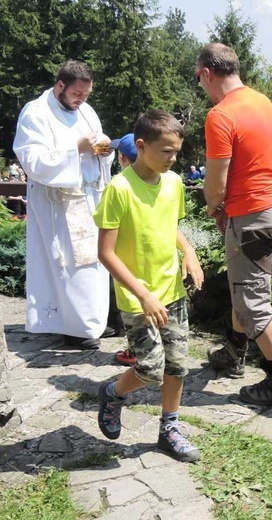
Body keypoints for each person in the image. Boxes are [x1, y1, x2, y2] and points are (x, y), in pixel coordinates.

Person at [93, 109, 204, 462]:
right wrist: (142, 293)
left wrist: (189, 253)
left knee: (177, 366)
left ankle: (169, 429)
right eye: (166, 151)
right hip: (138, 298)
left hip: (172, 292)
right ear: (141, 146)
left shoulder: (173, 183)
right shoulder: (119, 189)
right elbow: (105, 253)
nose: (173, 159)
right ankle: (113, 393)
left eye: (176, 152)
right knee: (151, 368)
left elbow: (170, 226)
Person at [198, 43, 272, 405]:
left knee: (253, 302)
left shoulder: (221, 115)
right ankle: (234, 350)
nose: (201, 85)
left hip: (251, 215)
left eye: (199, 78)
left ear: (208, 73)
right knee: (244, 285)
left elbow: (216, 184)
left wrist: (213, 207)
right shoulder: (262, 101)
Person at [13, 59, 115, 349]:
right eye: (76, 94)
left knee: (94, 262)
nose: (81, 100)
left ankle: (93, 321)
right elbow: (32, 161)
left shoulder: (86, 112)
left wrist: (102, 149)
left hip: (90, 198)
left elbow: (101, 151)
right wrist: (76, 150)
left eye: (86, 95)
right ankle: (76, 329)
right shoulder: (36, 112)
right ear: (60, 86)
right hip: (58, 204)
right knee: (70, 264)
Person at [109, 133, 139, 366]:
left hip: (125, 258)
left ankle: (135, 350)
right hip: (151, 258)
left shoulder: (118, 186)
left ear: (122, 159)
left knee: (131, 305)